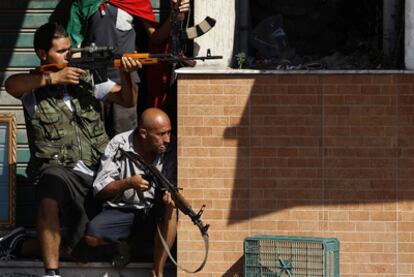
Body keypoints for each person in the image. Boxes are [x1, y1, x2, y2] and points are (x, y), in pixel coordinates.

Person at [0, 22, 142, 277]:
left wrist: (126, 74)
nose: (68, 55)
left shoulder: (87, 78)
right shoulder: (33, 85)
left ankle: (20, 244)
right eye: (60, 51)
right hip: (58, 167)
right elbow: (11, 85)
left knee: (84, 249)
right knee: (49, 190)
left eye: (69, 50)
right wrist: (53, 77)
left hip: (95, 172)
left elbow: (127, 99)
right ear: (43, 54)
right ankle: (51, 273)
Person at [66, 0, 190, 137]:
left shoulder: (135, 1)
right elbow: (74, 46)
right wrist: (79, 81)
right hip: (92, 83)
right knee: (90, 137)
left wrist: (176, 15)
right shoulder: (82, 3)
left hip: (125, 83)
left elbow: (156, 38)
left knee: (124, 140)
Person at [84, 107, 177, 277]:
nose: (167, 139)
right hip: (122, 210)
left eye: (169, 133)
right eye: (161, 134)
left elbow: (176, 185)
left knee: (171, 210)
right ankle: (126, 249)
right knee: (92, 236)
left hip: (154, 212)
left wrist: (168, 197)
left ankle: (158, 271)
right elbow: (100, 189)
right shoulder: (119, 144)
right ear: (143, 133)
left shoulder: (171, 148)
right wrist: (128, 183)